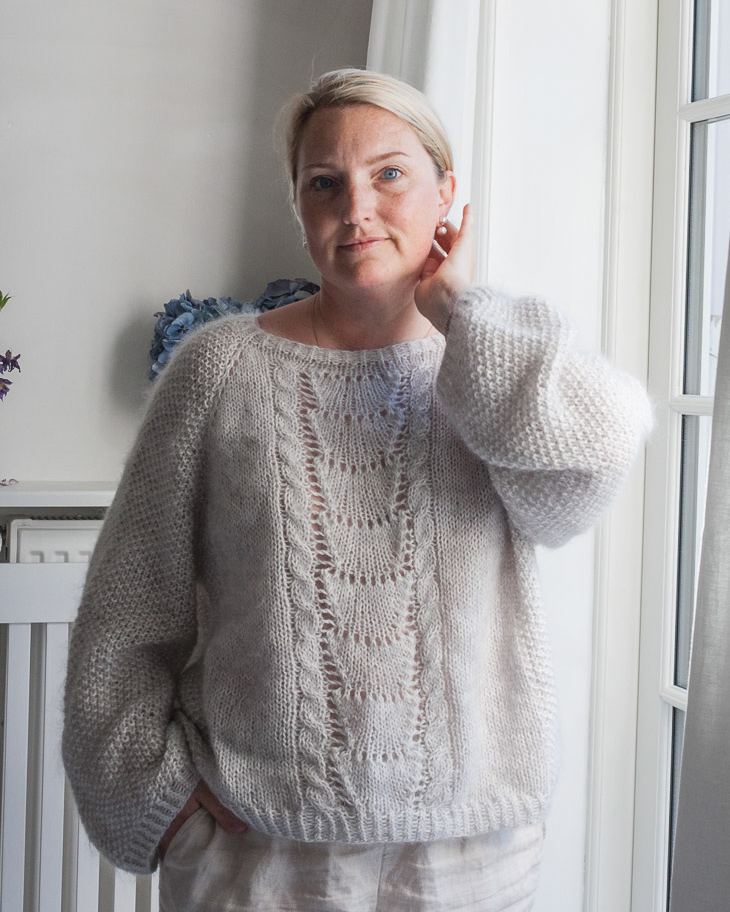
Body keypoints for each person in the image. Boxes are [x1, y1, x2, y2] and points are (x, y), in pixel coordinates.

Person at [62, 68, 652, 911]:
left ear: (447, 192)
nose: (356, 208)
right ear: (299, 207)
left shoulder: (491, 360)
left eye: (390, 174)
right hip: (258, 855)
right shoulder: (219, 370)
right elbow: (127, 612)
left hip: (465, 856)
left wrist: (458, 312)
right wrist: (156, 796)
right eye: (324, 183)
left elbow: (593, 463)